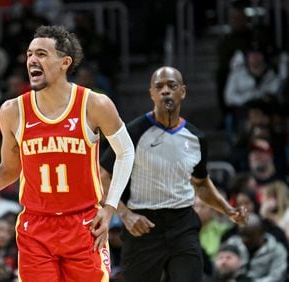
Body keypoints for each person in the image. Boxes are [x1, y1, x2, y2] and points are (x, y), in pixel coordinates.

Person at [0, 25, 135, 281]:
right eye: (29, 54)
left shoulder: (94, 104)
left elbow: (126, 152)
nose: (32, 60)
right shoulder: (13, 111)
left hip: (83, 224)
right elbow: (7, 171)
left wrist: (110, 207)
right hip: (36, 227)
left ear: (64, 63)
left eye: (42, 54)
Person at [100, 66, 247, 282]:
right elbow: (103, 175)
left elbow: (202, 184)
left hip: (182, 223)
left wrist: (228, 210)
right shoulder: (132, 132)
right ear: (151, 93)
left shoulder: (196, 137)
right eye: (159, 87)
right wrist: (124, 214)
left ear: (183, 92)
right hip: (142, 224)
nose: (165, 91)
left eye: (172, 85)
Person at [224, 213, 287, 281]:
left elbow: (277, 278)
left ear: (261, 234)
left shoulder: (277, 250)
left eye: (249, 236)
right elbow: (219, 268)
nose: (244, 240)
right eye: (242, 235)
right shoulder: (233, 243)